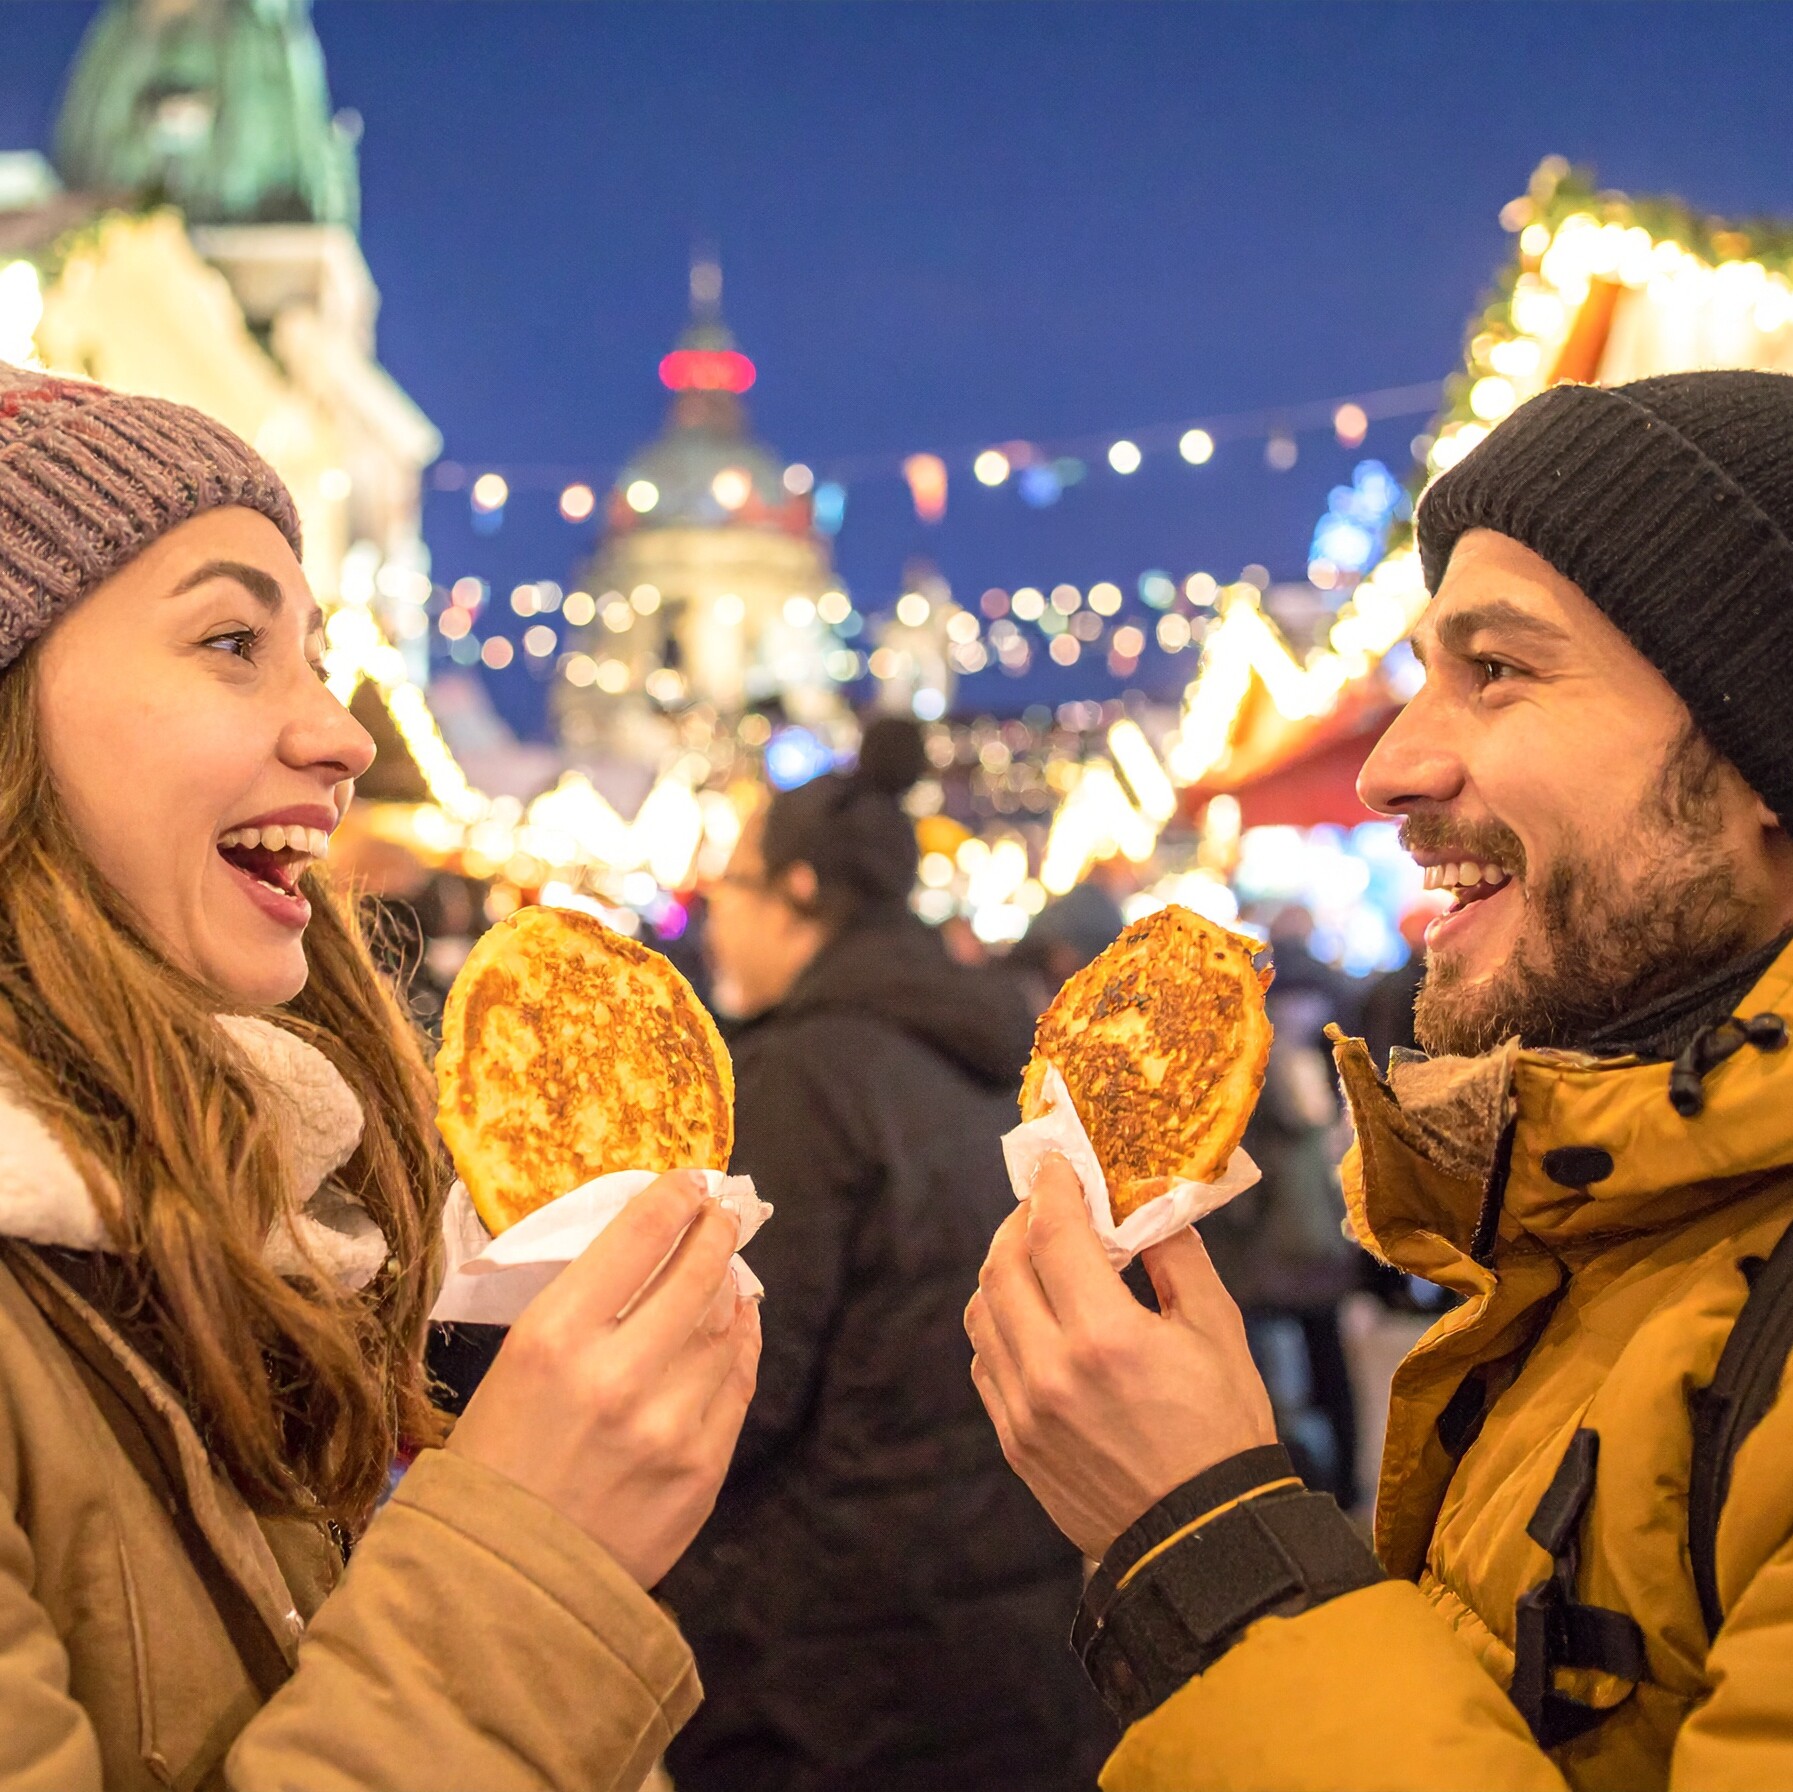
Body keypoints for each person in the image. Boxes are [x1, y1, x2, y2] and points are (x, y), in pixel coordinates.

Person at [967, 370, 1793, 1788]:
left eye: (1500, 669)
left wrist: (1214, 1547)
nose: (1389, 766)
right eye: (1420, 674)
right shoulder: (1601, 1245)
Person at [0, 364, 759, 1789]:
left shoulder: (300, 1235)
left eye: (316, 655)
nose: (344, 735)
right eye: (231, 640)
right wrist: (530, 1555)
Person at [663, 718, 1109, 1792]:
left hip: (828, 1657)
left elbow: (743, 1384)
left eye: (729, 888)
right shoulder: (997, 1058)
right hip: (1015, 1625)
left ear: (799, 890)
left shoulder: (800, 1082)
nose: (712, 920)